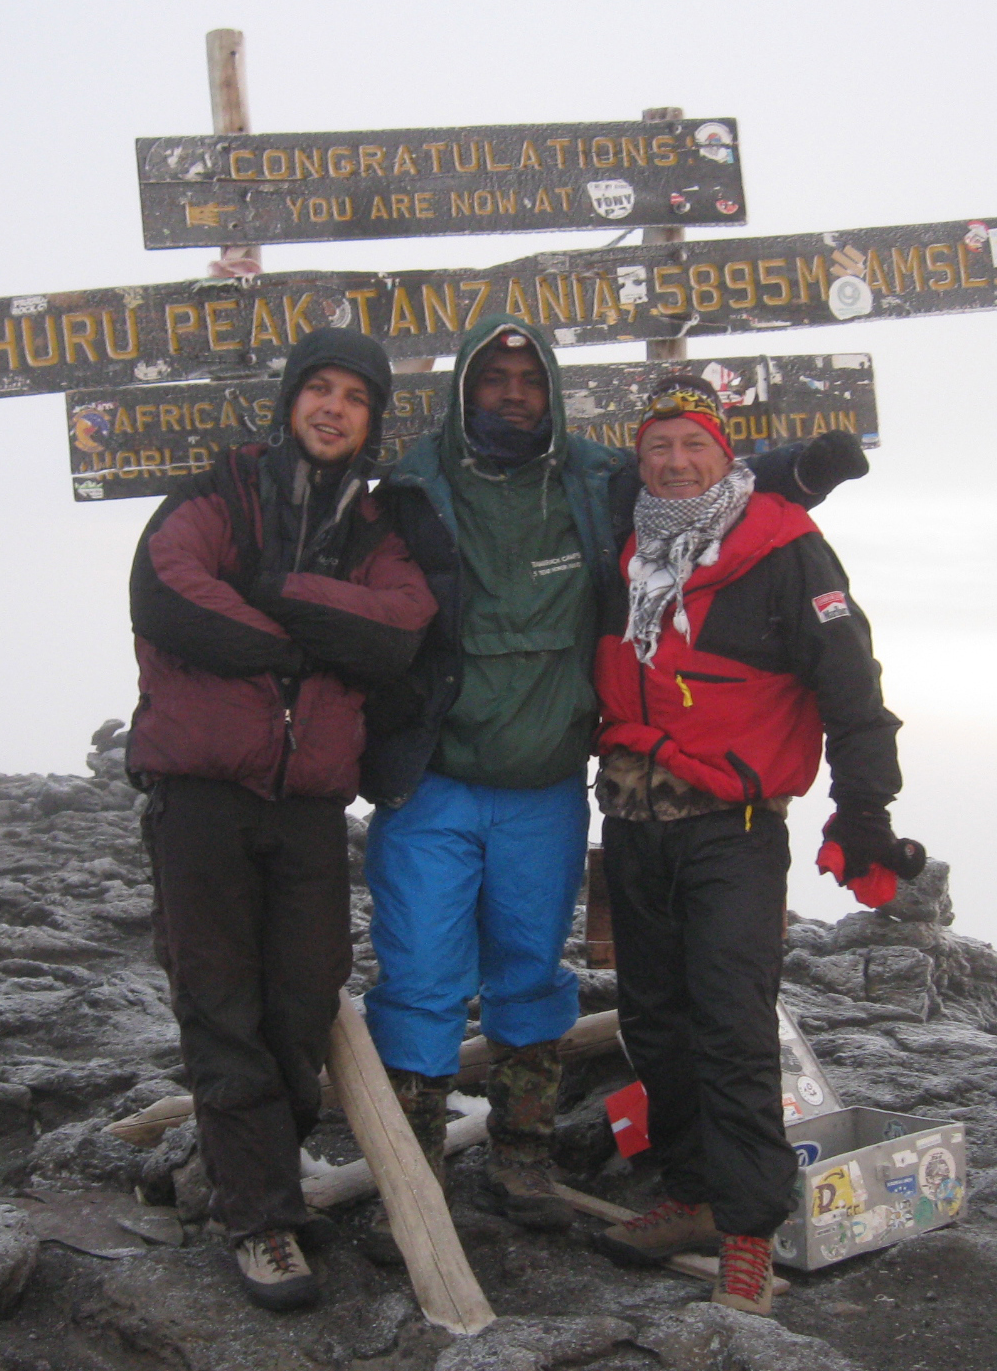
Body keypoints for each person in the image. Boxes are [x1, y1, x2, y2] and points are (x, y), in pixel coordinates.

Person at [356, 316, 869, 1254]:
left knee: (533, 977)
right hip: (437, 778)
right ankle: (412, 1177)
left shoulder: (593, 480)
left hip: (555, 782)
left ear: (550, 389)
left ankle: (522, 1162)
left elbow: (709, 474)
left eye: (528, 378)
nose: (512, 392)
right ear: (464, 386)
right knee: (424, 981)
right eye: (493, 376)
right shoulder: (413, 487)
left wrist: (808, 467)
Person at [588, 375, 924, 1315]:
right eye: (658, 446)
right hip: (630, 821)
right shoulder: (625, 542)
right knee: (652, 1018)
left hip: (731, 829)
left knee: (731, 1026)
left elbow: (852, 689)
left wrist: (864, 815)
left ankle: (746, 1230)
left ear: (722, 453)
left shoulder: (785, 546)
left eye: (693, 444)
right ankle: (689, 1191)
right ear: (640, 458)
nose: (675, 460)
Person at [126, 328, 437, 1312]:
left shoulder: (377, 529)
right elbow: (170, 593)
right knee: (220, 1008)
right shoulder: (219, 491)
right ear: (289, 402)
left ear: (373, 420)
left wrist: (274, 595)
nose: (333, 407)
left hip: (307, 806)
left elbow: (396, 628)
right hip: (202, 799)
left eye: (355, 396)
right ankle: (262, 1219)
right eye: (319, 389)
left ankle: (247, 1167)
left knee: (301, 1007)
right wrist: (309, 639)